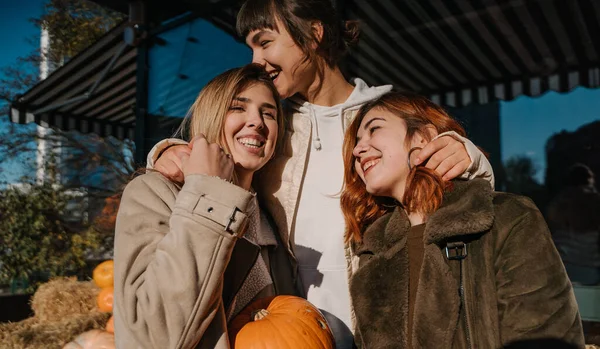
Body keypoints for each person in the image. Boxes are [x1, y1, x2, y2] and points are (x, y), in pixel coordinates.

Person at [146, 0, 494, 346]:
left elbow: (465, 201)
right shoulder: (271, 129)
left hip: (387, 326)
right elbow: (219, 162)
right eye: (250, 47)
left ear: (313, 34)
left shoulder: (385, 119)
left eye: (265, 42)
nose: (256, 61)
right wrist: (167, 150)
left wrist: (471, 157)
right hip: (295, 329)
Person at [341, 91, 584, 348]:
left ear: (423, 137)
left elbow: (545, 337)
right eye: (357, 141)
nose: (358, 149)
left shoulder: (507, 218)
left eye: (374, 129)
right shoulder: (373, 249)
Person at [113, 64, 302, 349]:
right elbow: (149, 337)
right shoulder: (153, 192)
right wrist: (210, 194)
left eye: (269, 113)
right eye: (238, 108)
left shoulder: (271, 217)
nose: (257, 122)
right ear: (211, 116)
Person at [547, 163, 600, 285]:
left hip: (561, 268)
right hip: (591, 269)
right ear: (589, 179)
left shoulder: (558, 203)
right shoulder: (595, 200)